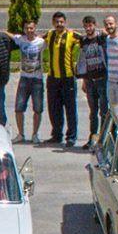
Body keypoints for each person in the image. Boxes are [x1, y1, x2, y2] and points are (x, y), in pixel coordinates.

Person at [42, 11, 80, 148]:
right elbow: (34, 38)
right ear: (53, 23)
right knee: (54, 108)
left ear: (65, 22)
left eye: (61, 22)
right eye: (57, 22)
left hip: (67, 78)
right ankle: (56, 135)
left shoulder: (72, 35)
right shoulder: (49, 34)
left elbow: (89, 38)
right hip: (53, 78)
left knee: (70, 108)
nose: (59, 24)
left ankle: (71, 137)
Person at [11, 19, 45, 143]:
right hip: (24, 78)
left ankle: (35, 134)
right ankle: (21, 134)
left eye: (31, 28)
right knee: (19, 107)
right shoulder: (21, 39)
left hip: (37, 79)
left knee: (38, 108)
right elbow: (9, 35)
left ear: (35, 28)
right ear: (24, 29)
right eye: (27, 28)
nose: (29, 30)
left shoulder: (41, 42)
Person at [78, 15, 108, 150]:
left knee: (104, 111)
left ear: (95, 25)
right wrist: (84, 80)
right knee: (93, 112)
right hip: (90, 81)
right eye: (86, 26)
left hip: (102, 79)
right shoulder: (83, 41)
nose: (88, 28)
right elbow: (83, 60)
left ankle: (103, 139)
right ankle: (92, 138)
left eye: (90, 25)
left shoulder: (101, 38)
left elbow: (113, 35)